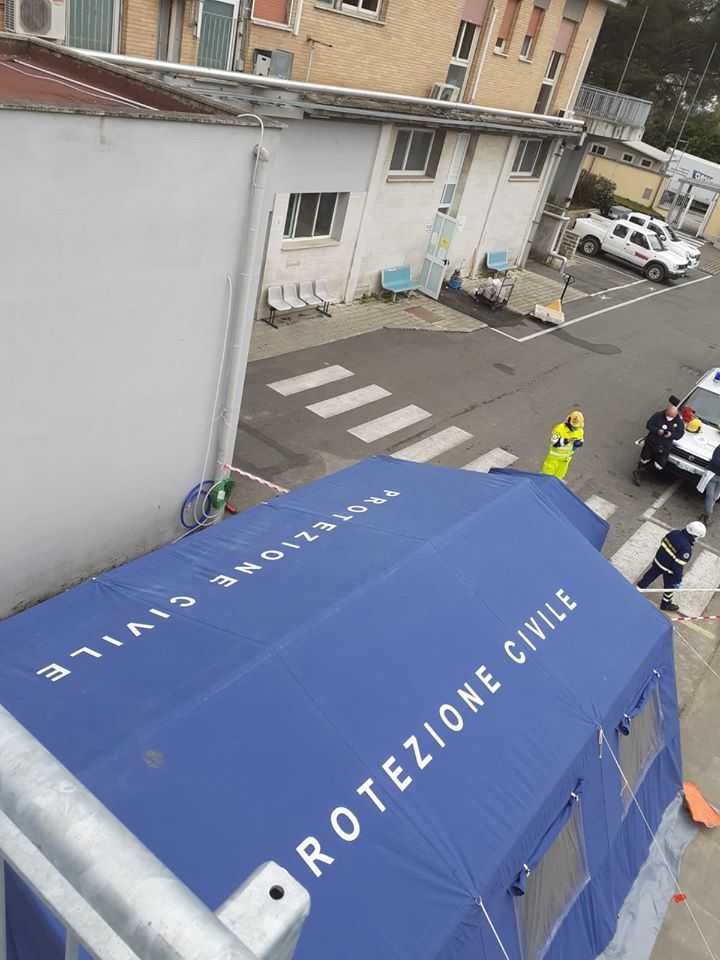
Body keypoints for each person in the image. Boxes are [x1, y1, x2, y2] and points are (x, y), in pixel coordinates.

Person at [636, 521, 706, 612]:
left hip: (658, 561)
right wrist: (678, 580)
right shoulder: (686, 548)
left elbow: (663, 542)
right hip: (669, 569)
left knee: (648, 577)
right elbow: (678, 566)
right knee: (669, 588)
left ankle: (637, 590)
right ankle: (666, 604)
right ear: (694, 535)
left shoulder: (674, 533)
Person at [632, 396, 685, 486]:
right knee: (644, 459)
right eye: (668, 415)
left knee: (659, 465)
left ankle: (640, 472)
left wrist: (671, 435)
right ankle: (638, 475)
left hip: (664, 447)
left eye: (672, 416)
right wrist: (657, 431)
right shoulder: (658, 415)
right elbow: (649, 425)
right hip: (652, 442)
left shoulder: (679, 422)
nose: (669, 417)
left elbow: (680, 434)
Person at [541, 411, 585, 481]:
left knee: (558, 480)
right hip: (553, 460)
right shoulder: (559, 428)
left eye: (576, 426)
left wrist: (578, 443)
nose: (575, 428)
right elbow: (555, 443)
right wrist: (568, 440)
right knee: (545, 478)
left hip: (565, 461)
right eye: (574, 426)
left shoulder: (580, 430)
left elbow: (581, 441)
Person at [699, 443, 720, 525]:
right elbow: (715, 460)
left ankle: (705, 514)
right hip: (713, 475)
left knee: (715, 497)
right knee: (709, 495)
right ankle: (708, 515)